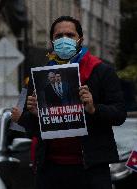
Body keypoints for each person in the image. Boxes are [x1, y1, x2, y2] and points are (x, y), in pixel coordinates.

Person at [12, 16, 127, 189]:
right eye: (59, 36)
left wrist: (94, 109)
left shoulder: (102, 71)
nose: (64, 40)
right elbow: (24, 127)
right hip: (49, 170)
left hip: (92, 170)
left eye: (70, 35)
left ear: (80, 39)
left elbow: (119, 114)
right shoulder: (37, 74)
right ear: (52, 41)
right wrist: (29, 116)